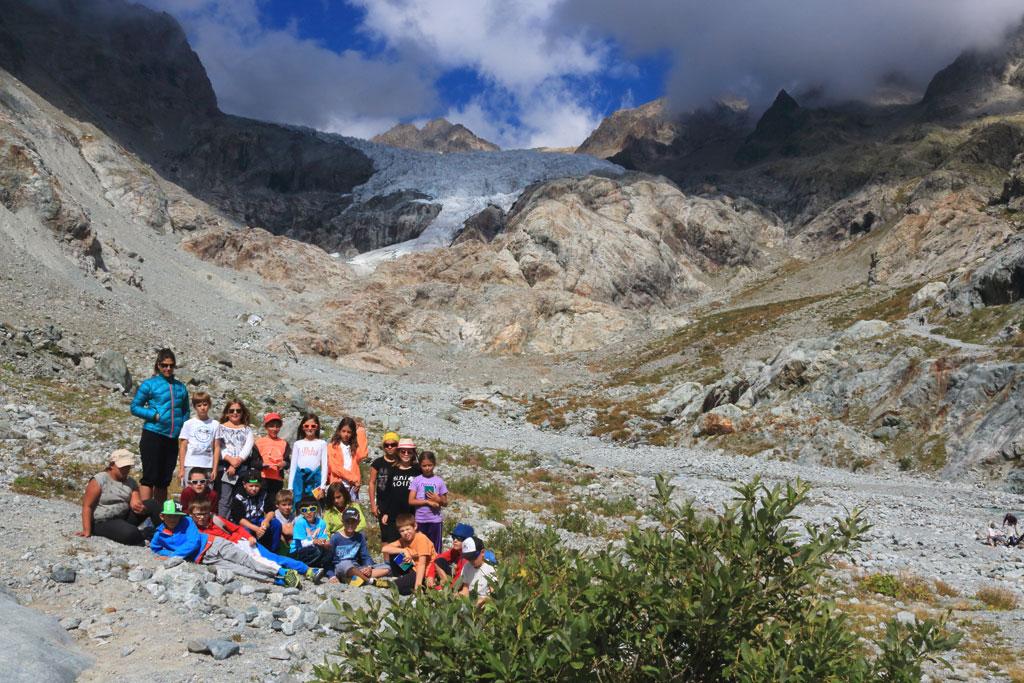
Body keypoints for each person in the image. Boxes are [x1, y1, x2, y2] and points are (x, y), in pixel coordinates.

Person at [150, 500, 300, 587]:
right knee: (239, 570)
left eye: (176, 516)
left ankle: (283, 572)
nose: (174, 519)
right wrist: (167, 554)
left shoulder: (188, 521)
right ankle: (277, 581)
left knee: (246, 560)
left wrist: (174, 556)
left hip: (215, 544)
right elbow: (155, 548)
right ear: (162, 516)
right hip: (204, 559)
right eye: (170, 516)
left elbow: (194, 542)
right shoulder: (159, 534)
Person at [187, 499, 324, 583]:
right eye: (197, 514)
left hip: (242, 543)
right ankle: (287, 574)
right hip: (229, 552)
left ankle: (307, 570)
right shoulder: (193, 530)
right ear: (191, 515)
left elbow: (236, 529)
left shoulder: (216, 520)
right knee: (260, 564)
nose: (201, 517)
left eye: (204, 513)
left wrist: (249, 537)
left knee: (272, 558)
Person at [130, 348, 189, 503]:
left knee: (164, 480)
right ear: (158, 365)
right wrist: (153, 415)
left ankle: (160, 516)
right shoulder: (149, 384)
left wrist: (181, 428)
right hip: (153, 434)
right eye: (164, 365)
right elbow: (135, 407)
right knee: (150, 477)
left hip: (172, 438)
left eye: (171, 365)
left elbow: (185, 411)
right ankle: (145, 515)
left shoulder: (181, 387)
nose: (168, 368)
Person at [76, 449, 162, 545]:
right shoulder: (99, 480)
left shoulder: (131, 482)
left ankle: (168, 533)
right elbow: (87, 506)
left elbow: (136, 498)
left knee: (153, 504)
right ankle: (143, 536)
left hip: (123, 517)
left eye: (127, 467)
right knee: (131, 533)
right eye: (122, 467)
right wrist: (86, 530)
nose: (126, 470)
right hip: (102, 521)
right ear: (112, 465)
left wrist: (138, 506)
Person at [211, 399, 256, 518]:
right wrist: (230, 459)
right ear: (226, 413)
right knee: (225, 498)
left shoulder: (247, 429)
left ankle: (238, 523)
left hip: (242, 468)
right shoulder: (220, 428)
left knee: (239, 497)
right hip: (224, 467)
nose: (235, 413)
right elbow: (219, 446)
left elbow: (248, 447)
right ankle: (222, 523)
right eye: (231, 410)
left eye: (238, 411)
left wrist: (237, 462)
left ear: (242, 413)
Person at [378, 437, 421, 551]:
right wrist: (385, 512)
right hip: (393, 516)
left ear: (413, 453)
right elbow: (386, 492)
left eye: (409, 451)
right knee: (394, 544)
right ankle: (396, 568)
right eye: (403, 451)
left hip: (411, 515)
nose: (406, 454)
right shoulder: (391, 470)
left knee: (411, 545)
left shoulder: (418, 471)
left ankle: (410, 569)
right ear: (398, 452)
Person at [327, 508, 390, 585]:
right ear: (342, 522)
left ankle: (354, 579)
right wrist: (331, 575)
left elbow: (365, 556)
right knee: (346, 563)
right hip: (341, 567)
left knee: (387, 567)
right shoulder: (335, 538)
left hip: (356, 567)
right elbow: (328, 560)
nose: (350, 525)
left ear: (358, 522)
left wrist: (368, 567)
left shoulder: (360, 537)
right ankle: (369, 581)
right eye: (347, 522)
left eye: (353, 522)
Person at [380, 512, 436, 595]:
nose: (405, 533)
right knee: (395, 553)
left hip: (424, 572)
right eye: (402, 531)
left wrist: (418, 586)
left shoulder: (421, 538)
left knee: (396, 587)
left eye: (408, 529)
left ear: (415, 526)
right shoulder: (403, 540)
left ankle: (421, 585)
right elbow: (384, 549)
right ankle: (401, 577)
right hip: (413, 568)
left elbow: (422, 564)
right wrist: (404, 551)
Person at [229, 471, 281, 551]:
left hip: (258, 519)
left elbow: (270, 510)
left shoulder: (264, 493)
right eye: (251, 486)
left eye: (257, 486)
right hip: (245, 523)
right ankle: (251, 552)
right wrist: (256, 529)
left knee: (276, 524)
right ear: (244, 484)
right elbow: (239, 519)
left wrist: (266, 520)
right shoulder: (238, 496)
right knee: (246, 530)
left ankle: (273, 551)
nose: (254, 489)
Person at [408, 451, 448, 552]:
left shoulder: (439, 481)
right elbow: (411, 501)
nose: (427, 468)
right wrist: (427, 502)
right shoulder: (417, 480)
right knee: (420, 548)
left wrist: (438, 499)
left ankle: (435, 566)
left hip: (435, 521)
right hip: (420, 520)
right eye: (424, 465)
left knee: (435, 548)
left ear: (434, 464)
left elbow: (445, 502)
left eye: (429, 465)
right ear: (420, 465)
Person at [176, 391, 216, 485]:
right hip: (190, 464)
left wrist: (214, 468)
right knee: (189, 492)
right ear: (194, 407)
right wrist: (182, 469)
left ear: (209, 405)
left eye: (205, 404)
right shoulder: (188, 424)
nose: (202, 408)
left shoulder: (215, 424)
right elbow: (183, 446)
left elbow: (216, 447)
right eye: (199, 405)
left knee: (207, 492)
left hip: (207, 465)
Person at [368, 431, 400, 543]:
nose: (390, 447)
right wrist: (373, 505)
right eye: (387, 445)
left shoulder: (402, 463)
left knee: (401, 533)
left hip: (399, 504)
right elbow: (372, 483)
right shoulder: (378, 463)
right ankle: (387, 561)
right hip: (383, 504)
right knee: (385, 535)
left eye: (393, 444)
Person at [254, 412, 289, 511]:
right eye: (271, 426)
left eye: (277, 426)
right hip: (262, 478)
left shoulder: (284, 443)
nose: (274, 429)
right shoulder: (259, 442)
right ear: (266, 427)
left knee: (273, 505)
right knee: (260, 503)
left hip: (277, 479)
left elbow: (288, 462)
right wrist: (262, 465)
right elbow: (253, 462)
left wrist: (284, 464)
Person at [288, 414, 327, 502]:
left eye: (313, 426)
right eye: (306, 426)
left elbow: (324, 465)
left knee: (315, 503)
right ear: (303, 427)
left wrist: (323, 486)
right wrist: (290, 487)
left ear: (317, 427)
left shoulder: (322, 443)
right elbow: (293, 466)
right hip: (299, 478)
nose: (310, 428)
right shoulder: (298, 444)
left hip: (315, 478)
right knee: (298, 502)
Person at [327, 416, 367, 500]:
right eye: (343, 431)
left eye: (349, 432)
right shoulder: (332, 446)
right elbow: (335, 468)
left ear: (353, 433)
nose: (346, 434)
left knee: (351, 511)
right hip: (337, 486)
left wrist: (360, 431)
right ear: (339, 431)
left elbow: (363, 454)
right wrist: (354, 479)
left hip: (352, 487)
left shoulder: (354, 448)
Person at [426, 522, 474, 589]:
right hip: (456, 578)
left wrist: (439, 589)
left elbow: (459, 579)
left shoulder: (466, 558)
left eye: (459, 538)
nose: (455, 540)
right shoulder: (456, 550)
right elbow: (438, 558)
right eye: (453, 537)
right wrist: (430, 576)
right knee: (439, 561)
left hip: (462, 583)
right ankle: (445, 582)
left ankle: (446, 586)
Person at [452, 536, 496, 606]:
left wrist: (484, 600)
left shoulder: (489, 568)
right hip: (471, 603)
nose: (471, 560)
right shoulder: (467, 566)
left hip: (485, 604)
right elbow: (466, 588)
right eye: (468, 557)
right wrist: (460, 595)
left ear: (482, 552)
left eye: (473, 557)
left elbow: (495, 594)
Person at [291, 496, 332, 568]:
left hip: (315, 549)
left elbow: (323, 539)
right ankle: (305, 566)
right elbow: (302, 543)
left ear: (317, 510)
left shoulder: (321, 523)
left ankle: (318, 566)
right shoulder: (300, 522)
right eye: (304, 510)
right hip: (298, 551)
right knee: (317, 551)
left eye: (312, 509)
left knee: (330, 552)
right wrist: (313, 542)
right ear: (301, 512)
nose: (308, 513)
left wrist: (324, 543)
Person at [266, 489, 296, 553]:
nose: (287, 507)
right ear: (277, 505)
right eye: (284, 505)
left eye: (289, 504)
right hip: (278, 542)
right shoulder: (275, 515)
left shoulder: (293, 516)